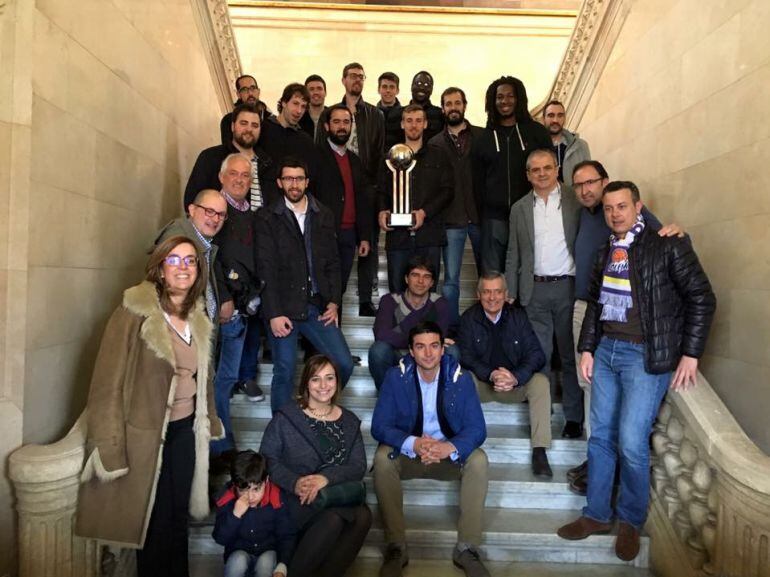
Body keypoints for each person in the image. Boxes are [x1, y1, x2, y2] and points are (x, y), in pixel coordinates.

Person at [557, 181, 716, 562]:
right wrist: (587, 348)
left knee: (630, 441)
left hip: (645, 357)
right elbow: (595, 306)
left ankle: (630, 519)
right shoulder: (604, 252)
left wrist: (691, 354)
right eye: (609, 208)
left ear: (638, 207)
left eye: (622, 206)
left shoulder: (668, 245)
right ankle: (596, 514)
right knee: (600, 439)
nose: (615, 213)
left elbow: (702, 297)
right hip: (607, 352)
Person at [75, 236, 223, 577]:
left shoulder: (197, 314)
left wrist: (210, 419)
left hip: (185, 431)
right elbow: (105, 386)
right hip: (145, 438)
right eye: (174, 260)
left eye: (190, 261)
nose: (183, 268)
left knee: (176, 520)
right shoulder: (133, 312)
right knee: (153, 525)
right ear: (159, 267)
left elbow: (205, 378)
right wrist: (110, 449)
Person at [372, 322, 490, 577]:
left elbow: (477, 429)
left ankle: (467, 547)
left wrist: (449, 447)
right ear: (411, 352)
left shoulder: (461, 378)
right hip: (410, 455)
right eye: (420, 347)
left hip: (446, 457)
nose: (428, 353)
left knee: (478, 460)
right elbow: (379, 426)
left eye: (434, 346)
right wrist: (413, 443)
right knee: (382, 458)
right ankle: (396, 546)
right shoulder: (395, 377)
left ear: (443, 349)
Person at [255, 157, 354, 413]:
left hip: (316, 307)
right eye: (288, 178)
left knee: (343, 363)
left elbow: (333, 262)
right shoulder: (267, 217)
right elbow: (265, 268)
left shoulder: (323, 214)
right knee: (285, 370)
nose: (294, 183)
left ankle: (317, 413)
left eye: (299, 178)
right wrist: (274, 314)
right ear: (279, 182)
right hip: (283, 308)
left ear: (307, 182)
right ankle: (283, 430)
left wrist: (333, 301)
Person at [260, 355, 372, 577]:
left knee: (363, 516)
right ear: (306, 384)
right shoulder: (287, 417)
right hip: (297, 498)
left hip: (333, 493)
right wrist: (295, 482)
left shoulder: (349, 421)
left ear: (337, 382)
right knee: (334, 517)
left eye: (329, 378)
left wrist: (326, 479)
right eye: (316, 379)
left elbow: (358, 465)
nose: (323, 386)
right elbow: (267, 459)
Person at [505, 148, 584, 439]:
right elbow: (513, 251)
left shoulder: (576, 202)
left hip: (568, 288)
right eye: (535, 170)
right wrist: (511, 290)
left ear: (557, 168)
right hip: (534, 290)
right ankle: (543, 414)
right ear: (528, 175)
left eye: (547, 168)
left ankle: (574, 417)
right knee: (540, 356)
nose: (541, 173)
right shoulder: (520, 208)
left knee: (570, 355)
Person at [459, 273, 552, 477]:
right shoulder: (468, 318)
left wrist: (515, 377)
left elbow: (536, 354)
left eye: (498, 291)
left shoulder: (518, 316)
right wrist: (491, 374)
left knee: (540, 382)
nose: (492, 297)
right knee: (462, 378)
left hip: (514, 385)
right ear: (478, 294)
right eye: (487, 292)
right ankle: (463, 443)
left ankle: (540, 450)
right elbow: (465, 357)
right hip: (483, 386)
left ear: (506, 294)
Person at [210, 154, 266, 467]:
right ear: (222, 176)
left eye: (246, 175)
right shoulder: (215, 209)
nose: (240, 179)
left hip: (242, 309)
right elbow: (210, 255)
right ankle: (217, 447)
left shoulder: (250, 214)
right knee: (214, 377)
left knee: (226, 377)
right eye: (234, 174)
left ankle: (222, 446)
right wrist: (223, 298)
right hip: (220, 307)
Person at [472, 76, 552, 274]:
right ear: (493, 101)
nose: (504, 101)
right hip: (493, 221)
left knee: (528, 273)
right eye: (499, 97)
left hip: (530, 216)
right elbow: (477, 182)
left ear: (519, 99)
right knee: (492, 277)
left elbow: (551, 174)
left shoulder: (537, 133)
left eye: (510, 96)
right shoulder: (483, 138)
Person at [378, 104, 453, 293]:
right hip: (398, 238)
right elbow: (380, 190)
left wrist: (424, 213)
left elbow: (447, 191)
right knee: (397, 292)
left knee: (428, 294)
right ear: (402, 124)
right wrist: (382, 210)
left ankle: (427, 325)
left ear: (426, 124)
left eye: (419, 121)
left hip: (430, 236)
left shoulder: (439, 155)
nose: (414, 125)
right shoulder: (388, 158)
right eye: (409, 121)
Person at [428, 87, 483, 331]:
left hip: (480, 216)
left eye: (457, 102)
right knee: (450, 281)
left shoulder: (482, 136)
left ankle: (485, 326)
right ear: (442, 109)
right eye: (448, 103)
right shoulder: (434, 143)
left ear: (464, 105)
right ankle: (451, 330)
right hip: (451, 219)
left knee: (489, 275)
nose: (453, 107)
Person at [314, 104, 374, 317]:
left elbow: (363, 202)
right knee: (322, 291)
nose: (342, 127)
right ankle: (318, 346)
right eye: (337, 122)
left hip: (349, 236)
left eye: (346, 122)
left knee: (339, 290)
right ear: (327, 126)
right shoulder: (316, 157)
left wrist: (364, 236)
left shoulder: (355, 161)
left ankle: (335, 340)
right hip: (322, 234)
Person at [368, 256, 457, 389]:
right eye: (415, 275)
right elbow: (381, 334)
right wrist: (420, 340)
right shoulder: (390, 301)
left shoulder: (439, 303)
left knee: (452, 351)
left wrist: (398, 334)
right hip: (397, 356)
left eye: (426, 277)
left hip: (427, 356)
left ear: (432, 282)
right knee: (378, 350)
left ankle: (441, 397)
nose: (420, 281)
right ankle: (387, 396)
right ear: (406, 279)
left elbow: (439, 337)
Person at [213, 450, 296, 577]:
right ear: (235, 485)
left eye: (256, 489)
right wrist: (235, 515)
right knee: (238, 561)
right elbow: (220, 538)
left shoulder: (277, 498)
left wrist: (282, 565)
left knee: (266, 562)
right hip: (238, 552)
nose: (250, 496)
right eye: (243, 490)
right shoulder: (227, 498)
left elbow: (286, 535)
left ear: (266, 481)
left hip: (268, 551)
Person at [186, 102, 279, 211]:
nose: (249, 129)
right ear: (232, 126)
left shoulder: (269, 164)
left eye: (255, 125)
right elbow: (192, 199)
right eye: (244, 123)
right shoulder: (211, 157)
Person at [154, 188, 227, 323]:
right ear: (192, 210)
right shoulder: (178, 239)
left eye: (221, 214)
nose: (216, 219)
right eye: (209, 211)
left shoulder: (203, 241)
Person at [543, 100, 591, 187]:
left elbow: (589, 176)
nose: (555, 120)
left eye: (560, 115)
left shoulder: (580, 146)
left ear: (565, 118)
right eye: (551, 115)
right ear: (543, 119)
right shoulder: (536, 146)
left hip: (573, 199)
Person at [220, 75, 273, 146]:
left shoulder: (271, 120)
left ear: (258, 91)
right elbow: (229, 150)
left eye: (253, 88)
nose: (250, 93)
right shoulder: (229, 120)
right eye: (245, 89)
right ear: (238, 94)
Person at [409, 71, 444, 142]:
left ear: (431, 90)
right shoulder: (399, 113)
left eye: (426, 85)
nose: (422, 87)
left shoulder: (441, 115)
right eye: (418, 84)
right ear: (412, 86)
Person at [377, 71, 404, 150]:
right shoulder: (371, 115)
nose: (388, 90)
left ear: (397, 90)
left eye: (392, 87)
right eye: (384, 87)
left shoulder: (405, 115)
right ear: (379, 89)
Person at [299, 74, 327, 141]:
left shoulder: (333, 117)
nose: (316, 92)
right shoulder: (298, 118)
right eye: (311, 89)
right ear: (305, 94)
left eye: (319, 88)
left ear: (325, 92)